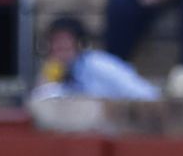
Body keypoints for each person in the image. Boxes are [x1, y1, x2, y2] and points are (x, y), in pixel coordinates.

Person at [32, 15, 160, 100]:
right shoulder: (54, 71)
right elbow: (39, 102)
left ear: (79, 43)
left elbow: (145, 94)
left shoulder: (100, 65)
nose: (59, 47)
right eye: (55, 41)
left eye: (65, 41)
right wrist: (47, 77)